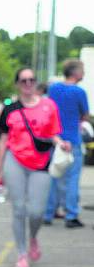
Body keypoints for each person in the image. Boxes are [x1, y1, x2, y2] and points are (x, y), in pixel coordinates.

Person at [0, 67, 68, 267]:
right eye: (23, 80)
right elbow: (2, 139)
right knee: (19, 209)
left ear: (36, 82)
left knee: (36, 212)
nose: (28, 83)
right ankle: (21, 252)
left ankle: (33, 237)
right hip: (15, 159)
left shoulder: (49, 106)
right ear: (18, 84)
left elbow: (53, 133)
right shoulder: (10, 108)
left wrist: (61, 144)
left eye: (31, 80)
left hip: (41, 161)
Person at [43, 59, 89, 228]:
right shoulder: (79, 92)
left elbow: (47, 108)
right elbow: (84, 115)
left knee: (54, 176)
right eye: (82, 70)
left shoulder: (54, 88)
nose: (83, 73)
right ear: (76, 73)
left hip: (55, 139)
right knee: (72, 179)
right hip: (73, 140)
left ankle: (49, 213)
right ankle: (71, 214)